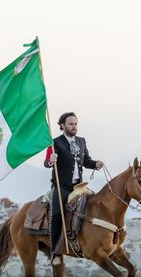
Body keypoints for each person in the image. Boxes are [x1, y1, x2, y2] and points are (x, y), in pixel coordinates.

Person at [44, 112, 103, 265]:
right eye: (70, 124)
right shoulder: (54, 142)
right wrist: (51, 161)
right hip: (62, 187)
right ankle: (55, 252)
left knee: (97, 204)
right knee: (57, 215)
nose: (74, 126)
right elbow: (47, 162)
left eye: (76, 124)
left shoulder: (81, 141)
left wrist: (95, 164)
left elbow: (86, 161)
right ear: (62, 125)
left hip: (79, 187)